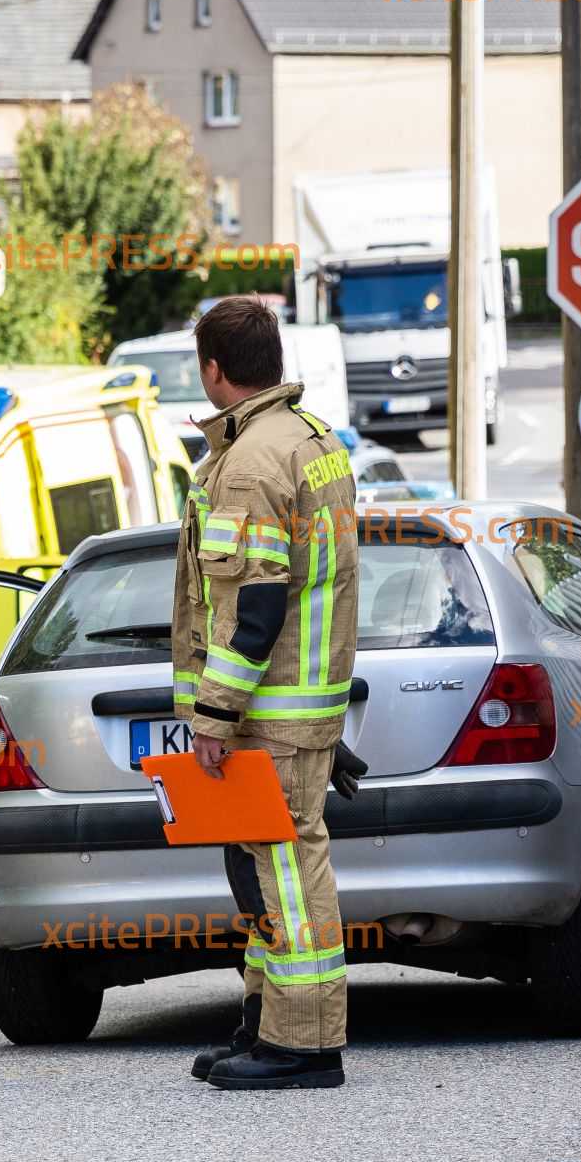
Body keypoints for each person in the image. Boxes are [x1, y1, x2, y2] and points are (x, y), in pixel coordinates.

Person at [172, 298, 361, 1091]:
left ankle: (304, 1044)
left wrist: (213, 713)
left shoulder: (251, 464)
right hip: (300, 701)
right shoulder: (313, 441)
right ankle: (264, 1022)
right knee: (266, 868)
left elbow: (254, 609)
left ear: (214, 368)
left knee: (286, 868)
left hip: (268, 707)